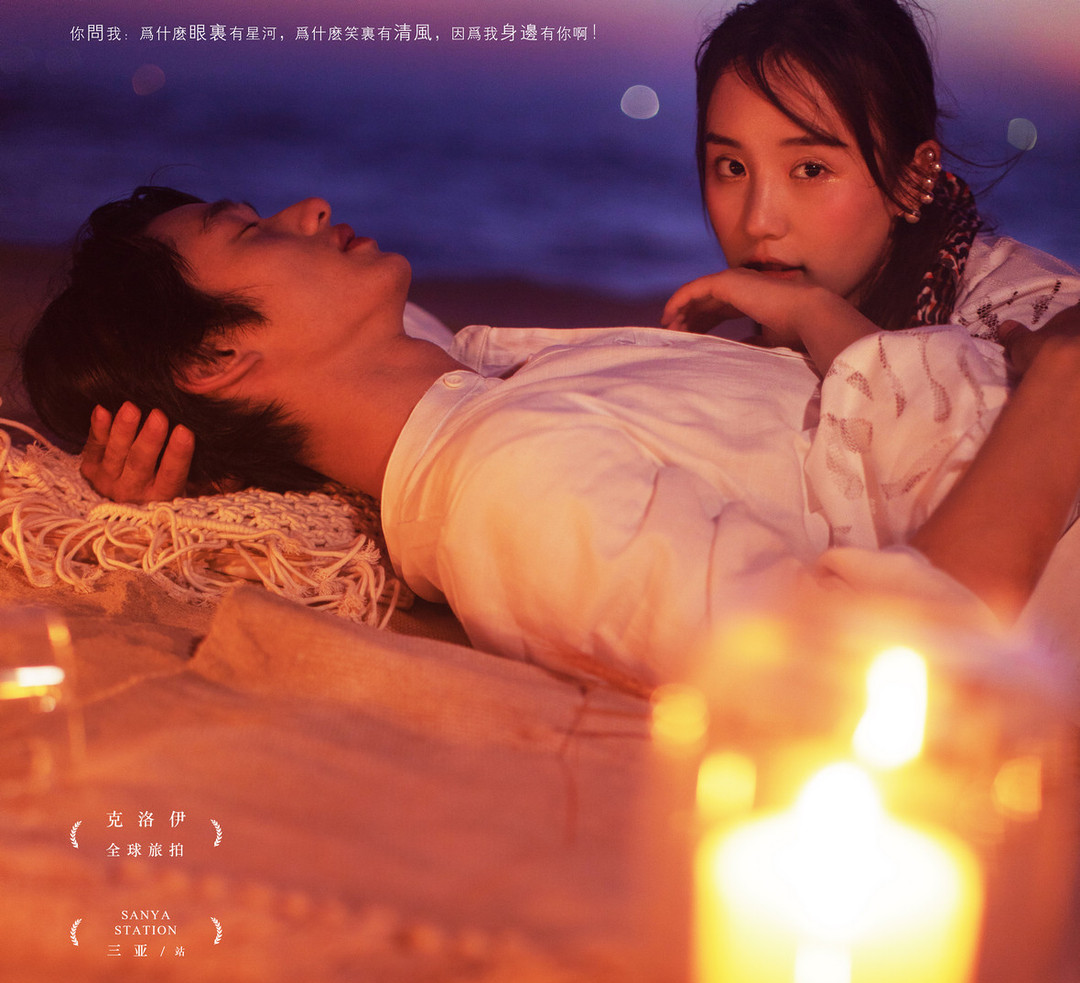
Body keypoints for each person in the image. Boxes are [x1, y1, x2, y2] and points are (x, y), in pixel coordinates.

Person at [20, 188, 1080, 686]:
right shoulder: (510, 488)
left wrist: (184, 473)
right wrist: (1058, 398)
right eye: (251, 231)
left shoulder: (476, 388)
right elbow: (867, 672)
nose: (308, 205)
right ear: (216, 358)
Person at [663, 0, 1080, 345]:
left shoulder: (1031, 312)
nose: (758, 223)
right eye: (733, 167)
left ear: (912, 176)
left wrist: (812, 313)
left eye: (810, 169)